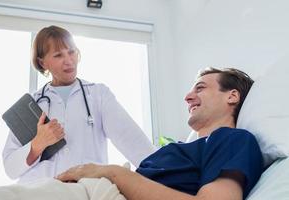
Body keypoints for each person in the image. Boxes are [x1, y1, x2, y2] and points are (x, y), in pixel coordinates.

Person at [57, 67, 264, 200]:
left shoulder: (233, 140)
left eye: (200, 88)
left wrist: (114, 173)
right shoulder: (184, 148)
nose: (188, 97)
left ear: (232, 96)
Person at [2, 25, 156, 183]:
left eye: (71, 52)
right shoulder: (31, 104)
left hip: (85, 190)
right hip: (40, 192)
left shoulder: (98, 95)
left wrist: (165, 175)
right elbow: (10, 167)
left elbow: (133, 140)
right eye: (58, 55)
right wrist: (37, 145)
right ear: (42, 63)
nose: (68, 61)